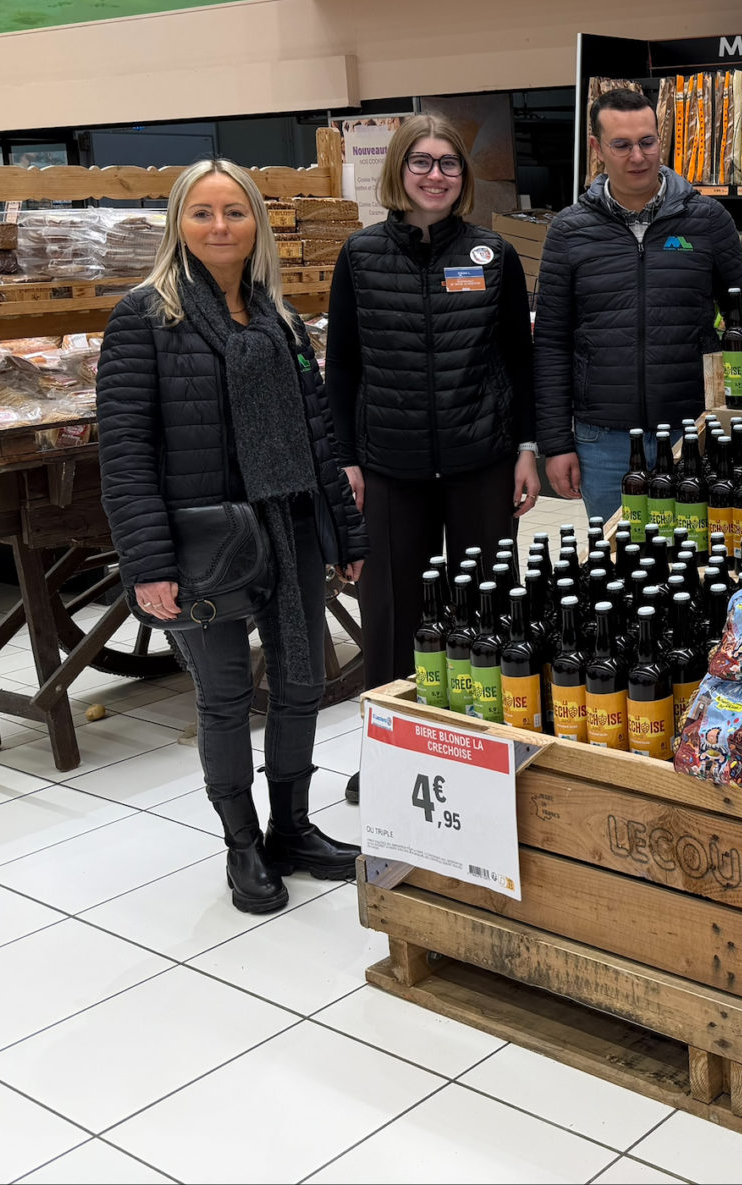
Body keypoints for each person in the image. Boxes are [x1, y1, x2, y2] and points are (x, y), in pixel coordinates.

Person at [99, 158, 368, 916]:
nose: (220, 227)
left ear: (257, 224)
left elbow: (318, 436)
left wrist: (346, 533)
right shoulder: (144, 318)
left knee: (302, 682)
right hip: (205, 539)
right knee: (223, 696)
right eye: (203, 212)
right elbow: (124, 453)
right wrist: (147, 563)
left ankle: (292, 827)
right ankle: (242, 844)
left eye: (235, 212)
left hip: (290, 525)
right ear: (178, 224)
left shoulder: (278, 318)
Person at [326, 113, 538, 693]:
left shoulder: (493, 254)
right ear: (399, 169)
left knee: (489, 613)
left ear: (463, 175)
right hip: (389, 466)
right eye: (420, 161)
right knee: (393, 616)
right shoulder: (360, 255)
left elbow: (519, 360)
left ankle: (487, 731)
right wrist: (346, 459)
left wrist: (527, 447)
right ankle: (396, 733)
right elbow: (341, 365)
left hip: (482, 459)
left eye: (449, 163)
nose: (435, 175)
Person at [534, 86, 742, 520]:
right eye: (622, 145)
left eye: (647, 142)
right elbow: (552, 344)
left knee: (698, 550)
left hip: (693, 431)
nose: (638, 157)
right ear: (597, 148)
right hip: (603, 441)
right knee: (619, 554)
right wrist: (556, 443)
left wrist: (739, 416)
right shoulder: (569, 231)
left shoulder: (707, 220)